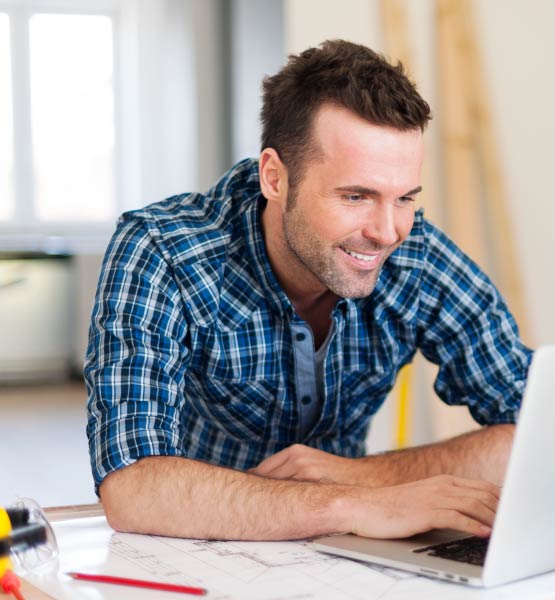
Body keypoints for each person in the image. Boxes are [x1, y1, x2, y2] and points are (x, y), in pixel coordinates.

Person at [85, 40, 532, 541]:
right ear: (274, 177)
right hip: (198, 544)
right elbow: (133, 487)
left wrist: (363, 478)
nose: (387, 232)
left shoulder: (417, 255)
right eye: (356, 196)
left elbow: (541, 428)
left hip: (346, 552)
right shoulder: (162, 250)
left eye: (404, 197)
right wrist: (352, 504)